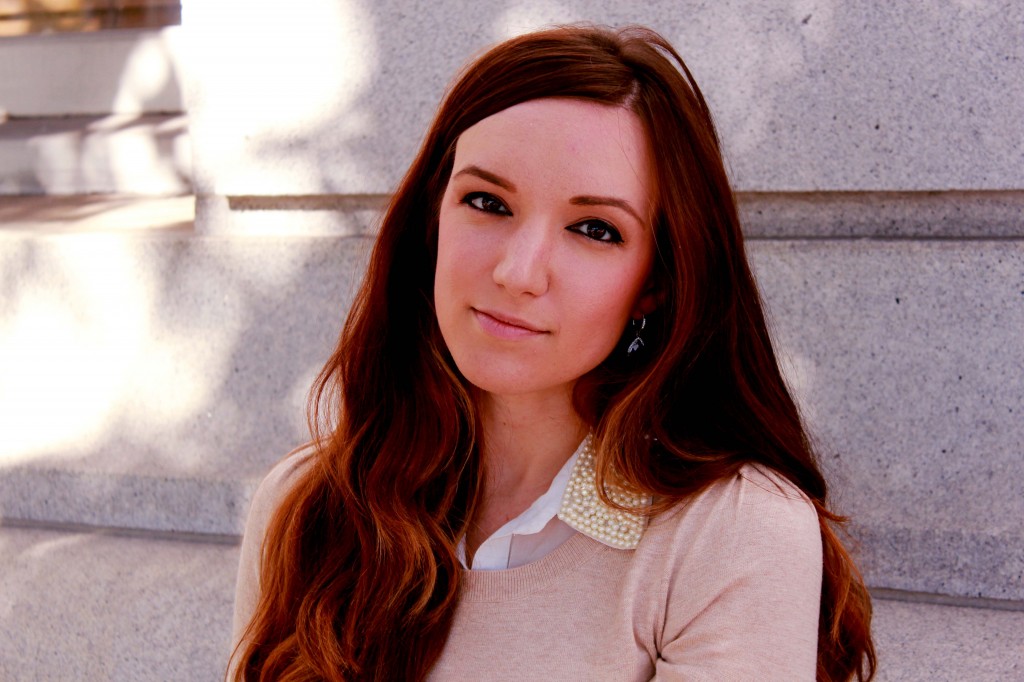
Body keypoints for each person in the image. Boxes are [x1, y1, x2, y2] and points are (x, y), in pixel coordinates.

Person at [229, 24, 876, 681]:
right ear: (433, 221)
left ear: (654, 284)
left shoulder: (730, 532)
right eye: (487, 202)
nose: (518, 272)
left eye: (594, 229)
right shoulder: (308, 504)